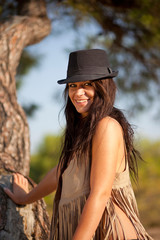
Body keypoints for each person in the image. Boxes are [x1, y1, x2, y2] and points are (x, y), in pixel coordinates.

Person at [4, 49, 153, 240]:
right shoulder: (84, 127)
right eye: (73, 85)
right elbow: (62, 171)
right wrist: (25, 198)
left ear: (103, 86)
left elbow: (100, 193)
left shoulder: (106, 126)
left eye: (87, 84)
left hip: (107, 231)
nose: (78, 92)